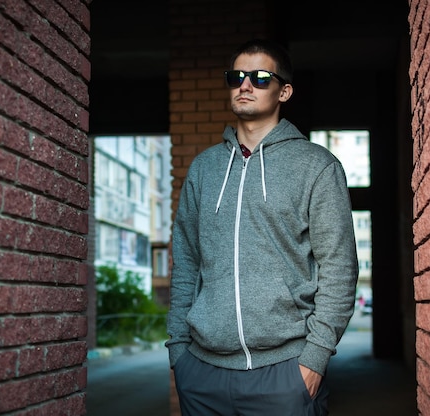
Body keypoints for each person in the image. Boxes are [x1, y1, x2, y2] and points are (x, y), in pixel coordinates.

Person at [165, 38, 359, 416]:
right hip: (202, 373)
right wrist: (178, 352)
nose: (245, 85)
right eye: (236, 76)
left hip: (285, 372)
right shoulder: (204, 169)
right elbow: (186, 260)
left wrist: (314, 361)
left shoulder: (316, 166)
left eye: (260, 77)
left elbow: (339, 268)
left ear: (284, 90)